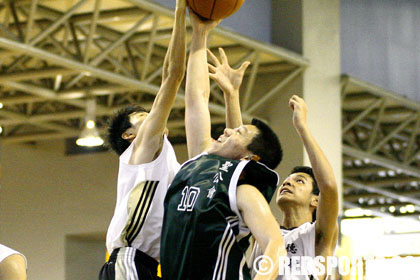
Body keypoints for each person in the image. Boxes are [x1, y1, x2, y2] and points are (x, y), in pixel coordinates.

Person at [160, 11, 286, 280]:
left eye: (238, 132)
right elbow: (196, 99)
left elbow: (275, 244)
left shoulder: (244, 190)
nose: (227, 130)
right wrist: (200, 34)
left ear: (251, 157)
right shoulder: (198, 162)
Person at [99, 0, 187, 279]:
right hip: (130, 259)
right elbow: (172, 77)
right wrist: (180, 12)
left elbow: (166, 77)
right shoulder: (141, 150)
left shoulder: (161, 156)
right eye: (143, 115)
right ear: (129, 135)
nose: (151, 115)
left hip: (147, 264)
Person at [250, 96, 339, 280]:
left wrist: (302, 127)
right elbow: (242, 153)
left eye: (299, 181)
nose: (287, 183)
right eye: (287, 180)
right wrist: (232, 95)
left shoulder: (317, 235)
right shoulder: (267, 230)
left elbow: (329, 186)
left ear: (316, 200)